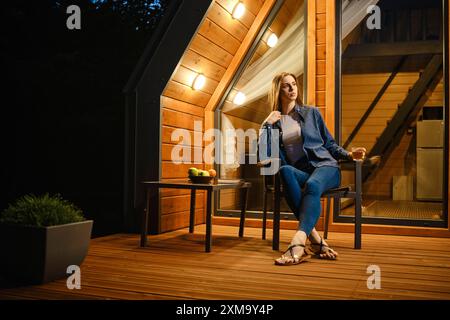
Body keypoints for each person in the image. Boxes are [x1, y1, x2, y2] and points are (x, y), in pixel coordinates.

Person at [259, 72, 366, 266]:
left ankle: (298, 242)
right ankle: (317, 240)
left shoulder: (311, 113)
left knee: (312, 184)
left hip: (326, 167)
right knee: (285, 171)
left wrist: (349, 155)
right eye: (286, 86)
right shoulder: (274, 124)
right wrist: (265, 124)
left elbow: (330, 144)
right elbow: (263, 155)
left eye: (294, 84)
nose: (292, 89)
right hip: (303, 172)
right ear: (278, 90)